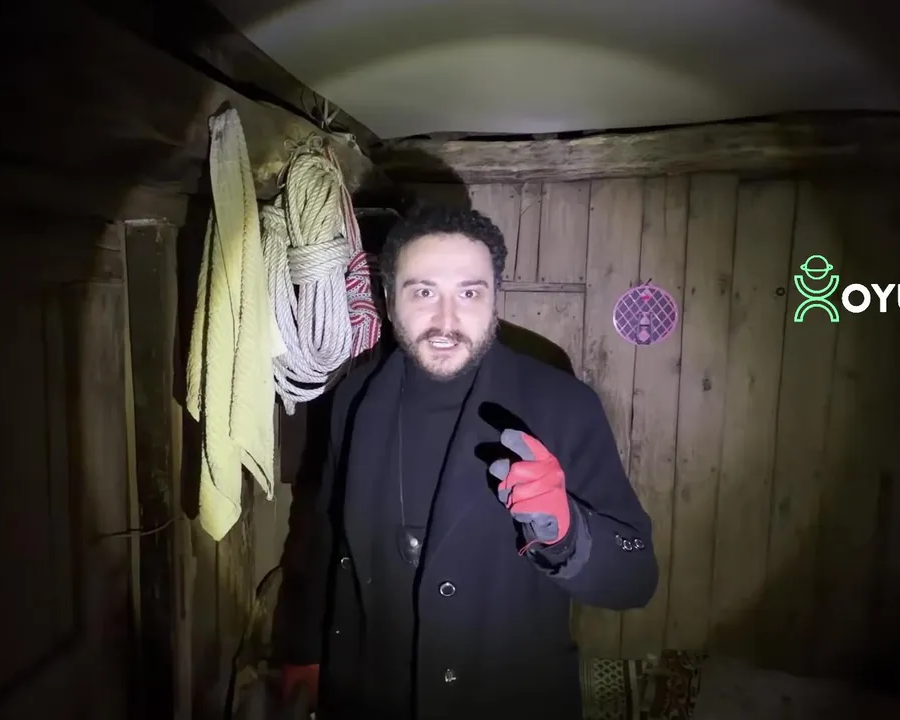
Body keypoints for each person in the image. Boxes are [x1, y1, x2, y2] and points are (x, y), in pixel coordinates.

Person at [272, 205, 658, 720]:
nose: (446, 321)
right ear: (389, 298)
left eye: (470, 293)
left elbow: (637, 570)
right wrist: (304, 648)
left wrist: (568, 533)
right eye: (423, 292)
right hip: (368, 695)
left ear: (496, 298)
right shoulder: (355, 397)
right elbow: (324, 533)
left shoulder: (564, 405)